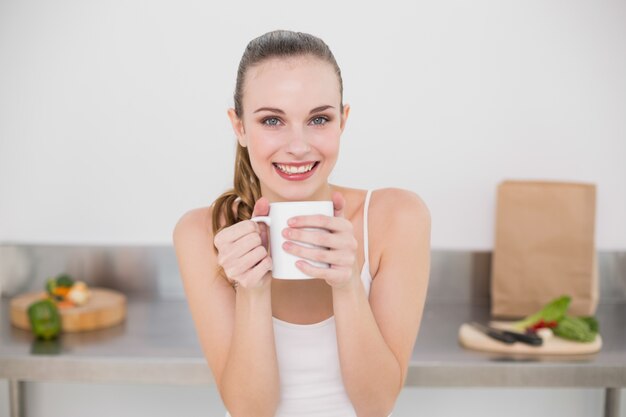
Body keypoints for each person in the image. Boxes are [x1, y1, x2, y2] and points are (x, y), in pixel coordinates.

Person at [173, 29, 431, 417]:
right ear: (239, 126)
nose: (298, 145)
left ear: (342, 121)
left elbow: (376, 405)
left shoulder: (396, 217)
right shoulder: (202, 233)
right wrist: (253, 292)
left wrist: (347, 285)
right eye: (272, 120)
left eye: (319, 119)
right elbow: (250, 411)